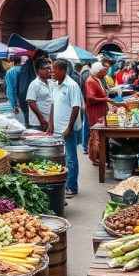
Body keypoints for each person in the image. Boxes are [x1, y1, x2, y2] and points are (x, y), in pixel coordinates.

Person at [48, 59, 83, 197]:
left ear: (63, 71)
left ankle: (72, 187)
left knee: (71, 157)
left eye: (54, 70)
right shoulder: (55, 85)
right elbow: (53, 104)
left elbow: (76, 107)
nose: (52, 73)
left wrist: (69, 127)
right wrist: (50, 123)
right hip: (57, 128)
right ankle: (63, 184)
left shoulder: (72, 86)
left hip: (68, 129)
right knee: (61, 158)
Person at [84, 61, 112, 165]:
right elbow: (90, 97)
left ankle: (98, 156)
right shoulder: (91, 81)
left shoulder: (96, 79)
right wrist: (105, 99)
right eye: (102, 71)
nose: (103, 73)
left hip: (100, 110)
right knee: (96, 133)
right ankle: (96, 157)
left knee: (98, 133)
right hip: (95, 111)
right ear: (98, 72)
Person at [26, 59, 53, 131]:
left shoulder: (51, 82)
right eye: (46, 68)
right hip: (38, 122)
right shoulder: (34, 84)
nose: (49, 71)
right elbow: (31, 102)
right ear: (39, 70)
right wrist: (41, 118)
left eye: (50, 68)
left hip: (49, 121)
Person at [5, 56, 23, 123]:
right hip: (26, 100)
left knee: (19, 122)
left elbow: (10, 89)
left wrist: (12, 105)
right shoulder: (24, 70)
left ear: (12, 62)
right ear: (20, 61)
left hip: (16, 101)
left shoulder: (9, 72)